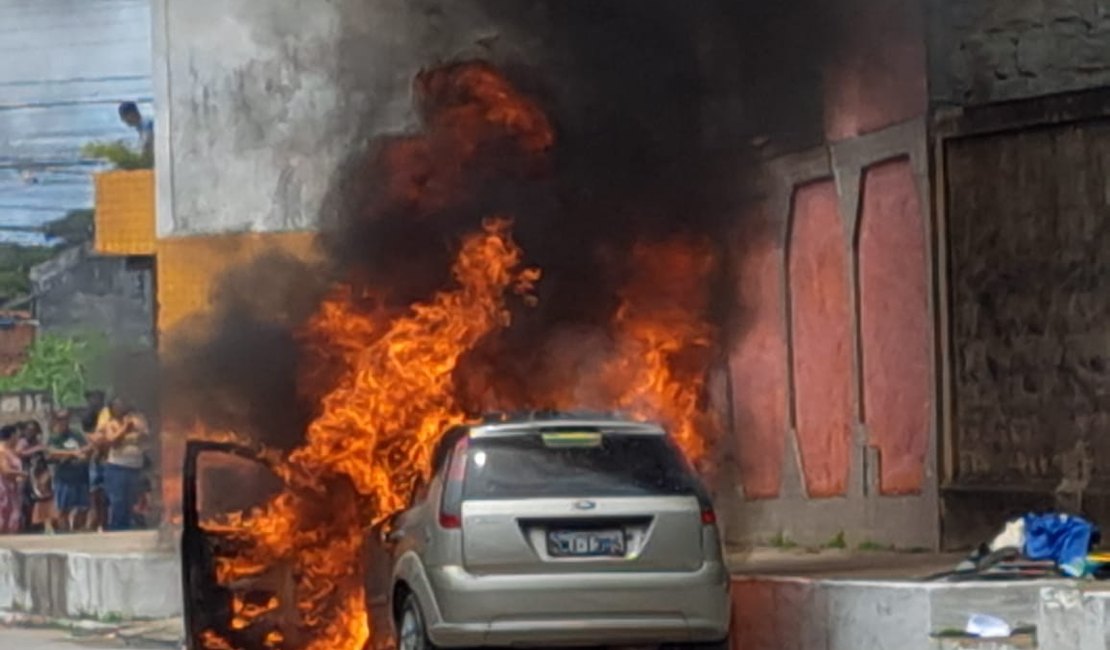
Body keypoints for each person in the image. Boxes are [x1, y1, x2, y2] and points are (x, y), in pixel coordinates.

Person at [94, 398, 149, 531]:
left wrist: (128, 433)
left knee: (130, 501)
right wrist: (125, 429)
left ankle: (126, 527)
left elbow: (144, 435)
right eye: (117, 406)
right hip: (117, 467)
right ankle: (117, 528)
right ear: (112, 409)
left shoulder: (136, 420)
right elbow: (113, 441)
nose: (120, 408)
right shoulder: (110, 424)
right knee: (118, 500)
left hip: (134, 467)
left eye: (122, 405)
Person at [46, 410, 90, 532]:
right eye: (60, 419)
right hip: (64, 478)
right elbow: (51, 452)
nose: (63, 421)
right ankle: (64, 532)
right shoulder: (54, 437)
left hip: (80, 476)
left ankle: (78, 529)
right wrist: (72, 454)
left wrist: (83, 452)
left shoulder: (76, 434)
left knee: (82, 507)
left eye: (65, 418)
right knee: (63, 508)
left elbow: (86, 446)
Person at [82, 391, 109, 531]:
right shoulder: (88, 415)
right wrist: (95, 446)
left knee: (107, 492)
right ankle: (97, 521)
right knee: (95, 491)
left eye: (98, 398)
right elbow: (87, 434)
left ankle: (104, 521)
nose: (95, 401)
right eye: (93, 398)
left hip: (107, 456)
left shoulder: (108, 414)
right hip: (95, 458)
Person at [0, 426, 26, 534]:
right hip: (4, 489)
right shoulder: (2, 451)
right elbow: (5, 470)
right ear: (11, 436)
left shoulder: (10, 450)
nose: (18, 439)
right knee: (5, 516)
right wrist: (21, 473)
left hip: (12, 488)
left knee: (12, 517)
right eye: (16, 436)